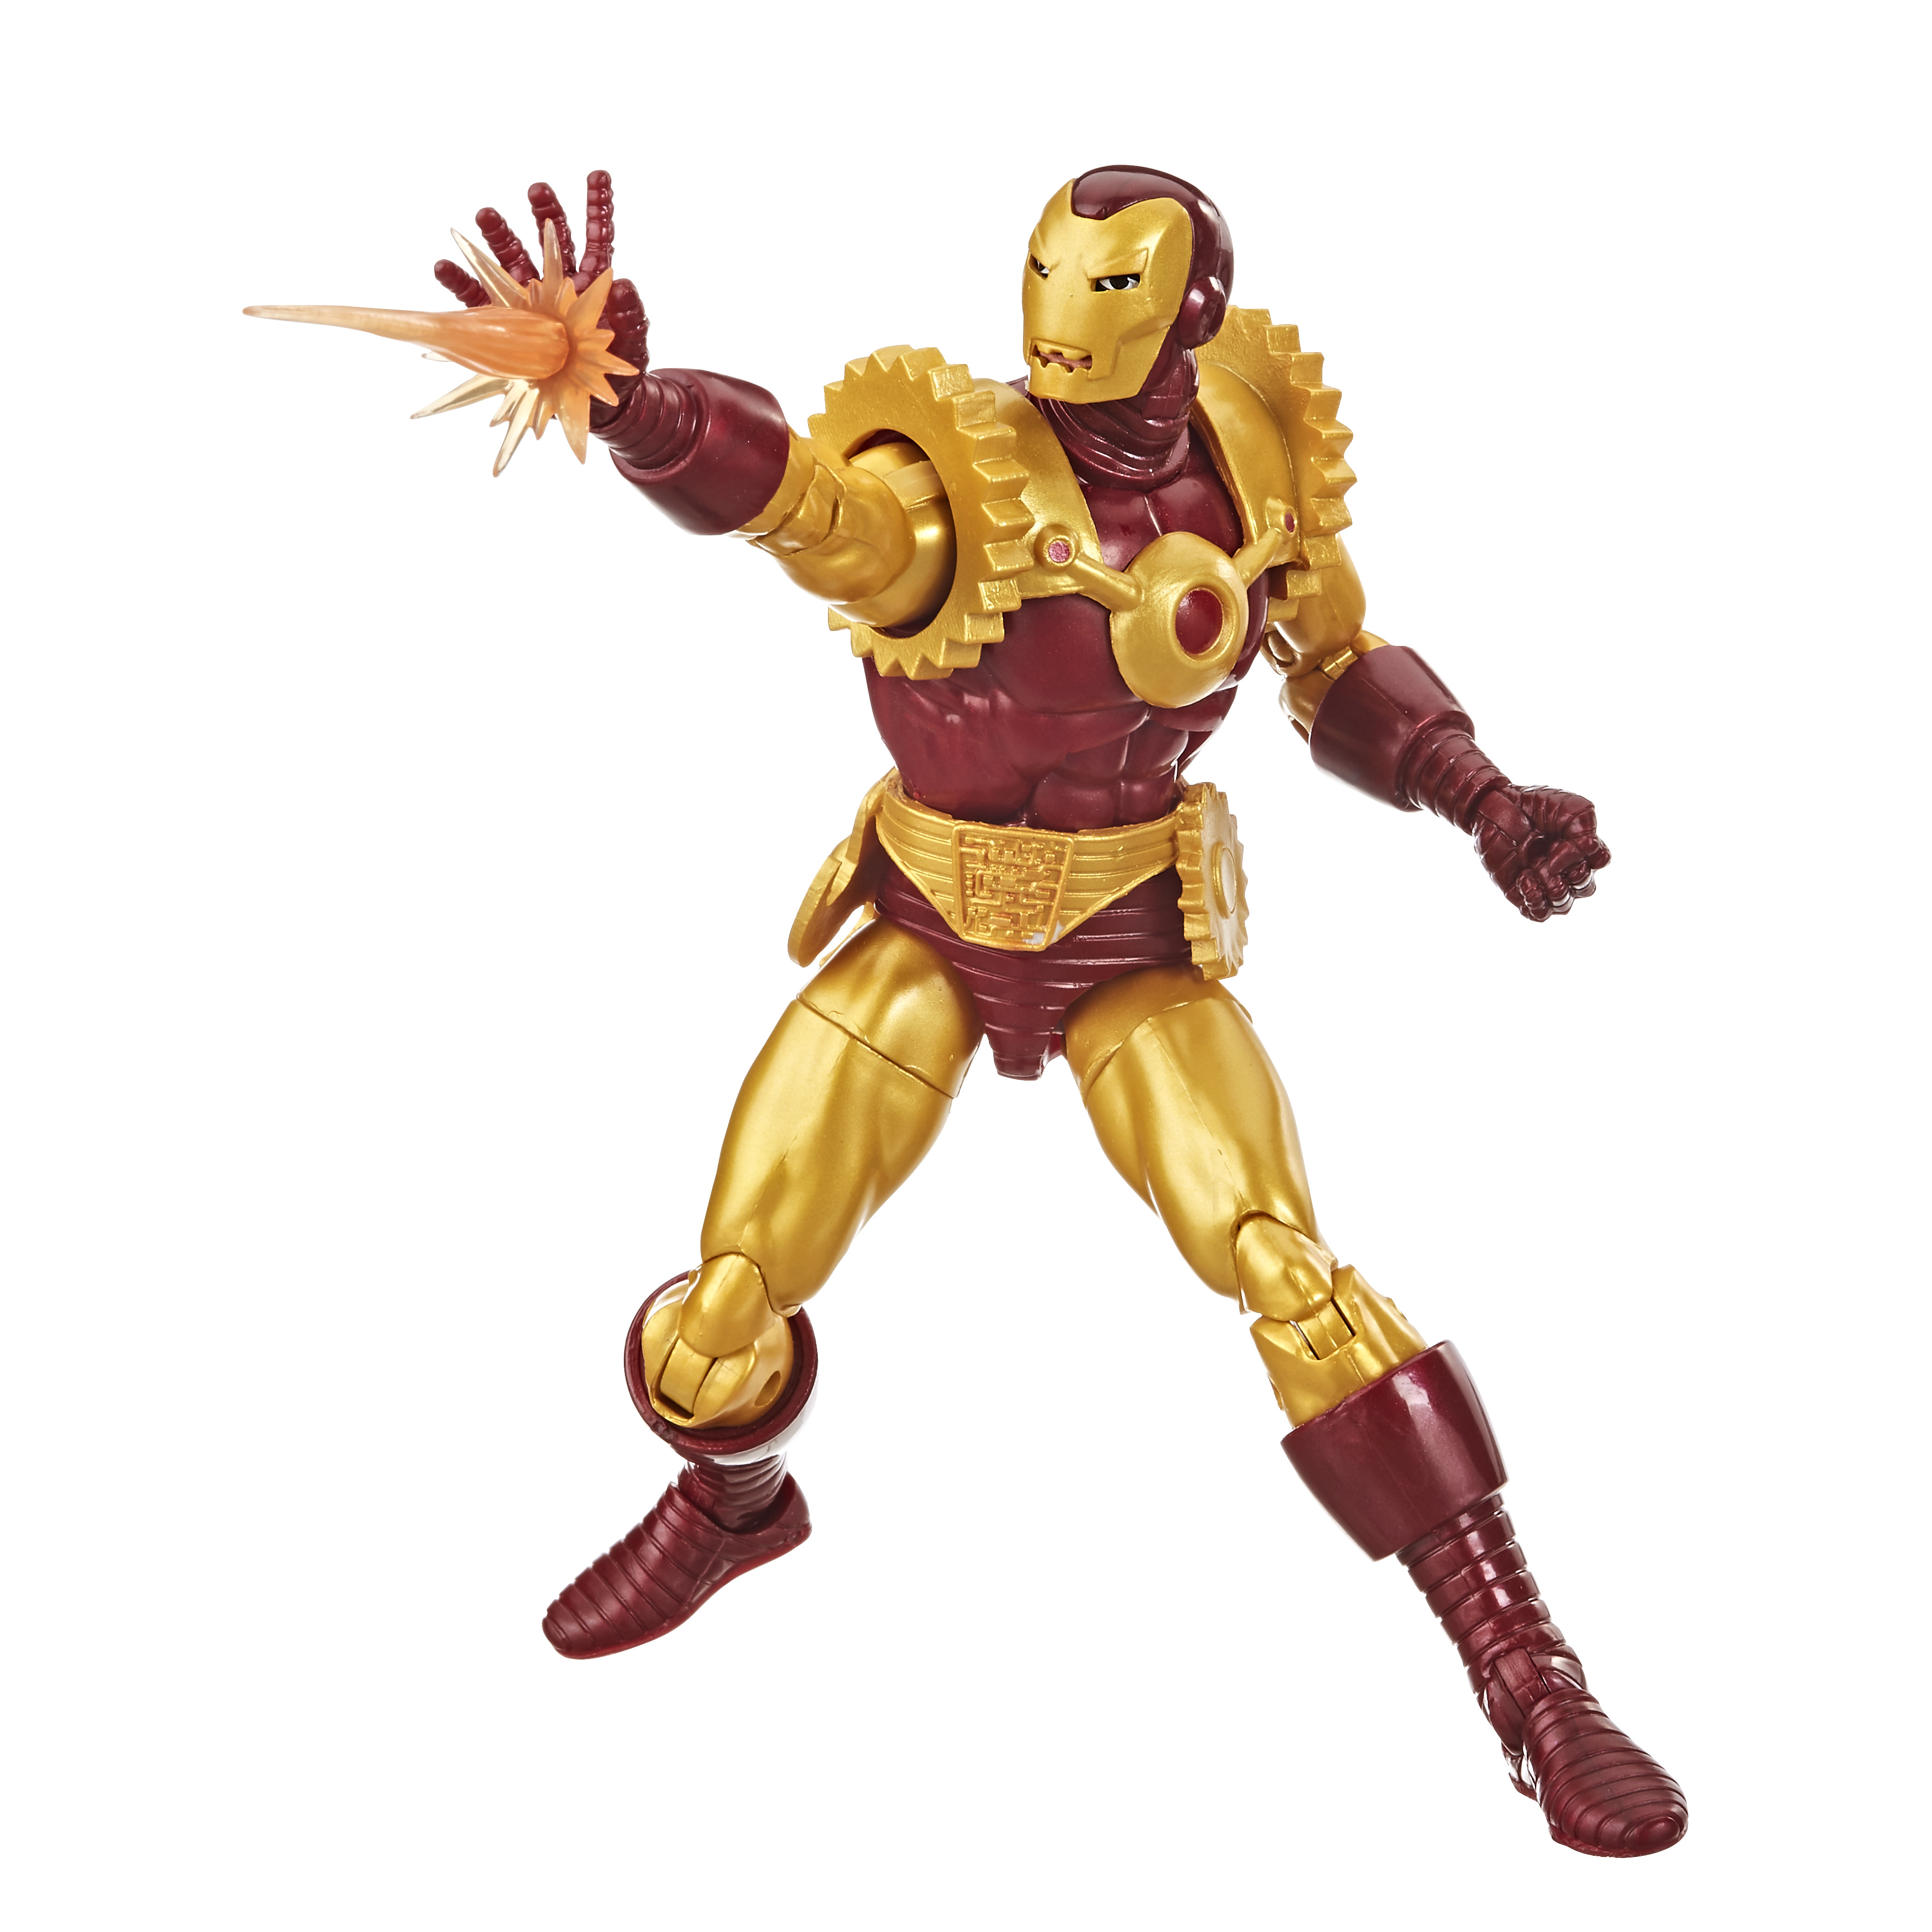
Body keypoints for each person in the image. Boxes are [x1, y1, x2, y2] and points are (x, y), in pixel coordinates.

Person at [419, 164, 1682, 1857]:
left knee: (1293, 1277)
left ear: (1191, 315)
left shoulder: (1252, 457)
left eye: (1109, 288)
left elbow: (1327, 662)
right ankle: (734, 1506)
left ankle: (1530, 1680)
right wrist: (648, 415)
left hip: (1129, 940)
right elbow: (808, 508)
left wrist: (1479, 795)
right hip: (931, 925)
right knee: (718, 1318)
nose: (1061, 316)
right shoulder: (953, 478)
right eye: (1047, 274)